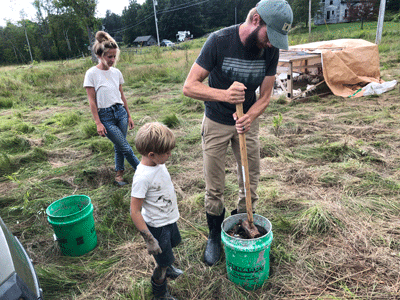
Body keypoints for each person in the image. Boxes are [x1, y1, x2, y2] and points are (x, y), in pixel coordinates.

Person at [182, 0, 293, 266]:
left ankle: (244, 221)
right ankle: (213, 236)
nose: (271, 43)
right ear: (256, 20)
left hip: (246, 121)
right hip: (217, 122)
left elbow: (265, 96)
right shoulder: (219, 41)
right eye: (270, 35)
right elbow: (189, 86)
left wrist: (249, 116)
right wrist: (224, 94)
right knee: (215, 183)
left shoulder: (270, 50)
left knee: (249, 177)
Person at [130, 122, 183, 300]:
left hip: (168, 220)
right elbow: (135, 211)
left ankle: (168, 267)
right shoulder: (142, 178)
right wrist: (149, 239)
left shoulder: (158, 164)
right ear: (152, 155)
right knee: (161, 262)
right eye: (167, 153)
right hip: (157, 228)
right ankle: (160, 293)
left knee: (170, 248)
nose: (170, 155)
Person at [83, 31, 140, 186]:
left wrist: (129, 115)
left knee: (119, 145)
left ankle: (119, 176)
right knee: (126, 147)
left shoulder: (116, 73)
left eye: (114, 56)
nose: (113, 60)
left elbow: (121, 95)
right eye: (109, 57)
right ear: (100, 55)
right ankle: (143, 172)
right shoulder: (91, 74)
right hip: (105, 116)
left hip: (120, 112)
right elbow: (92, 101)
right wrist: (98, 123)